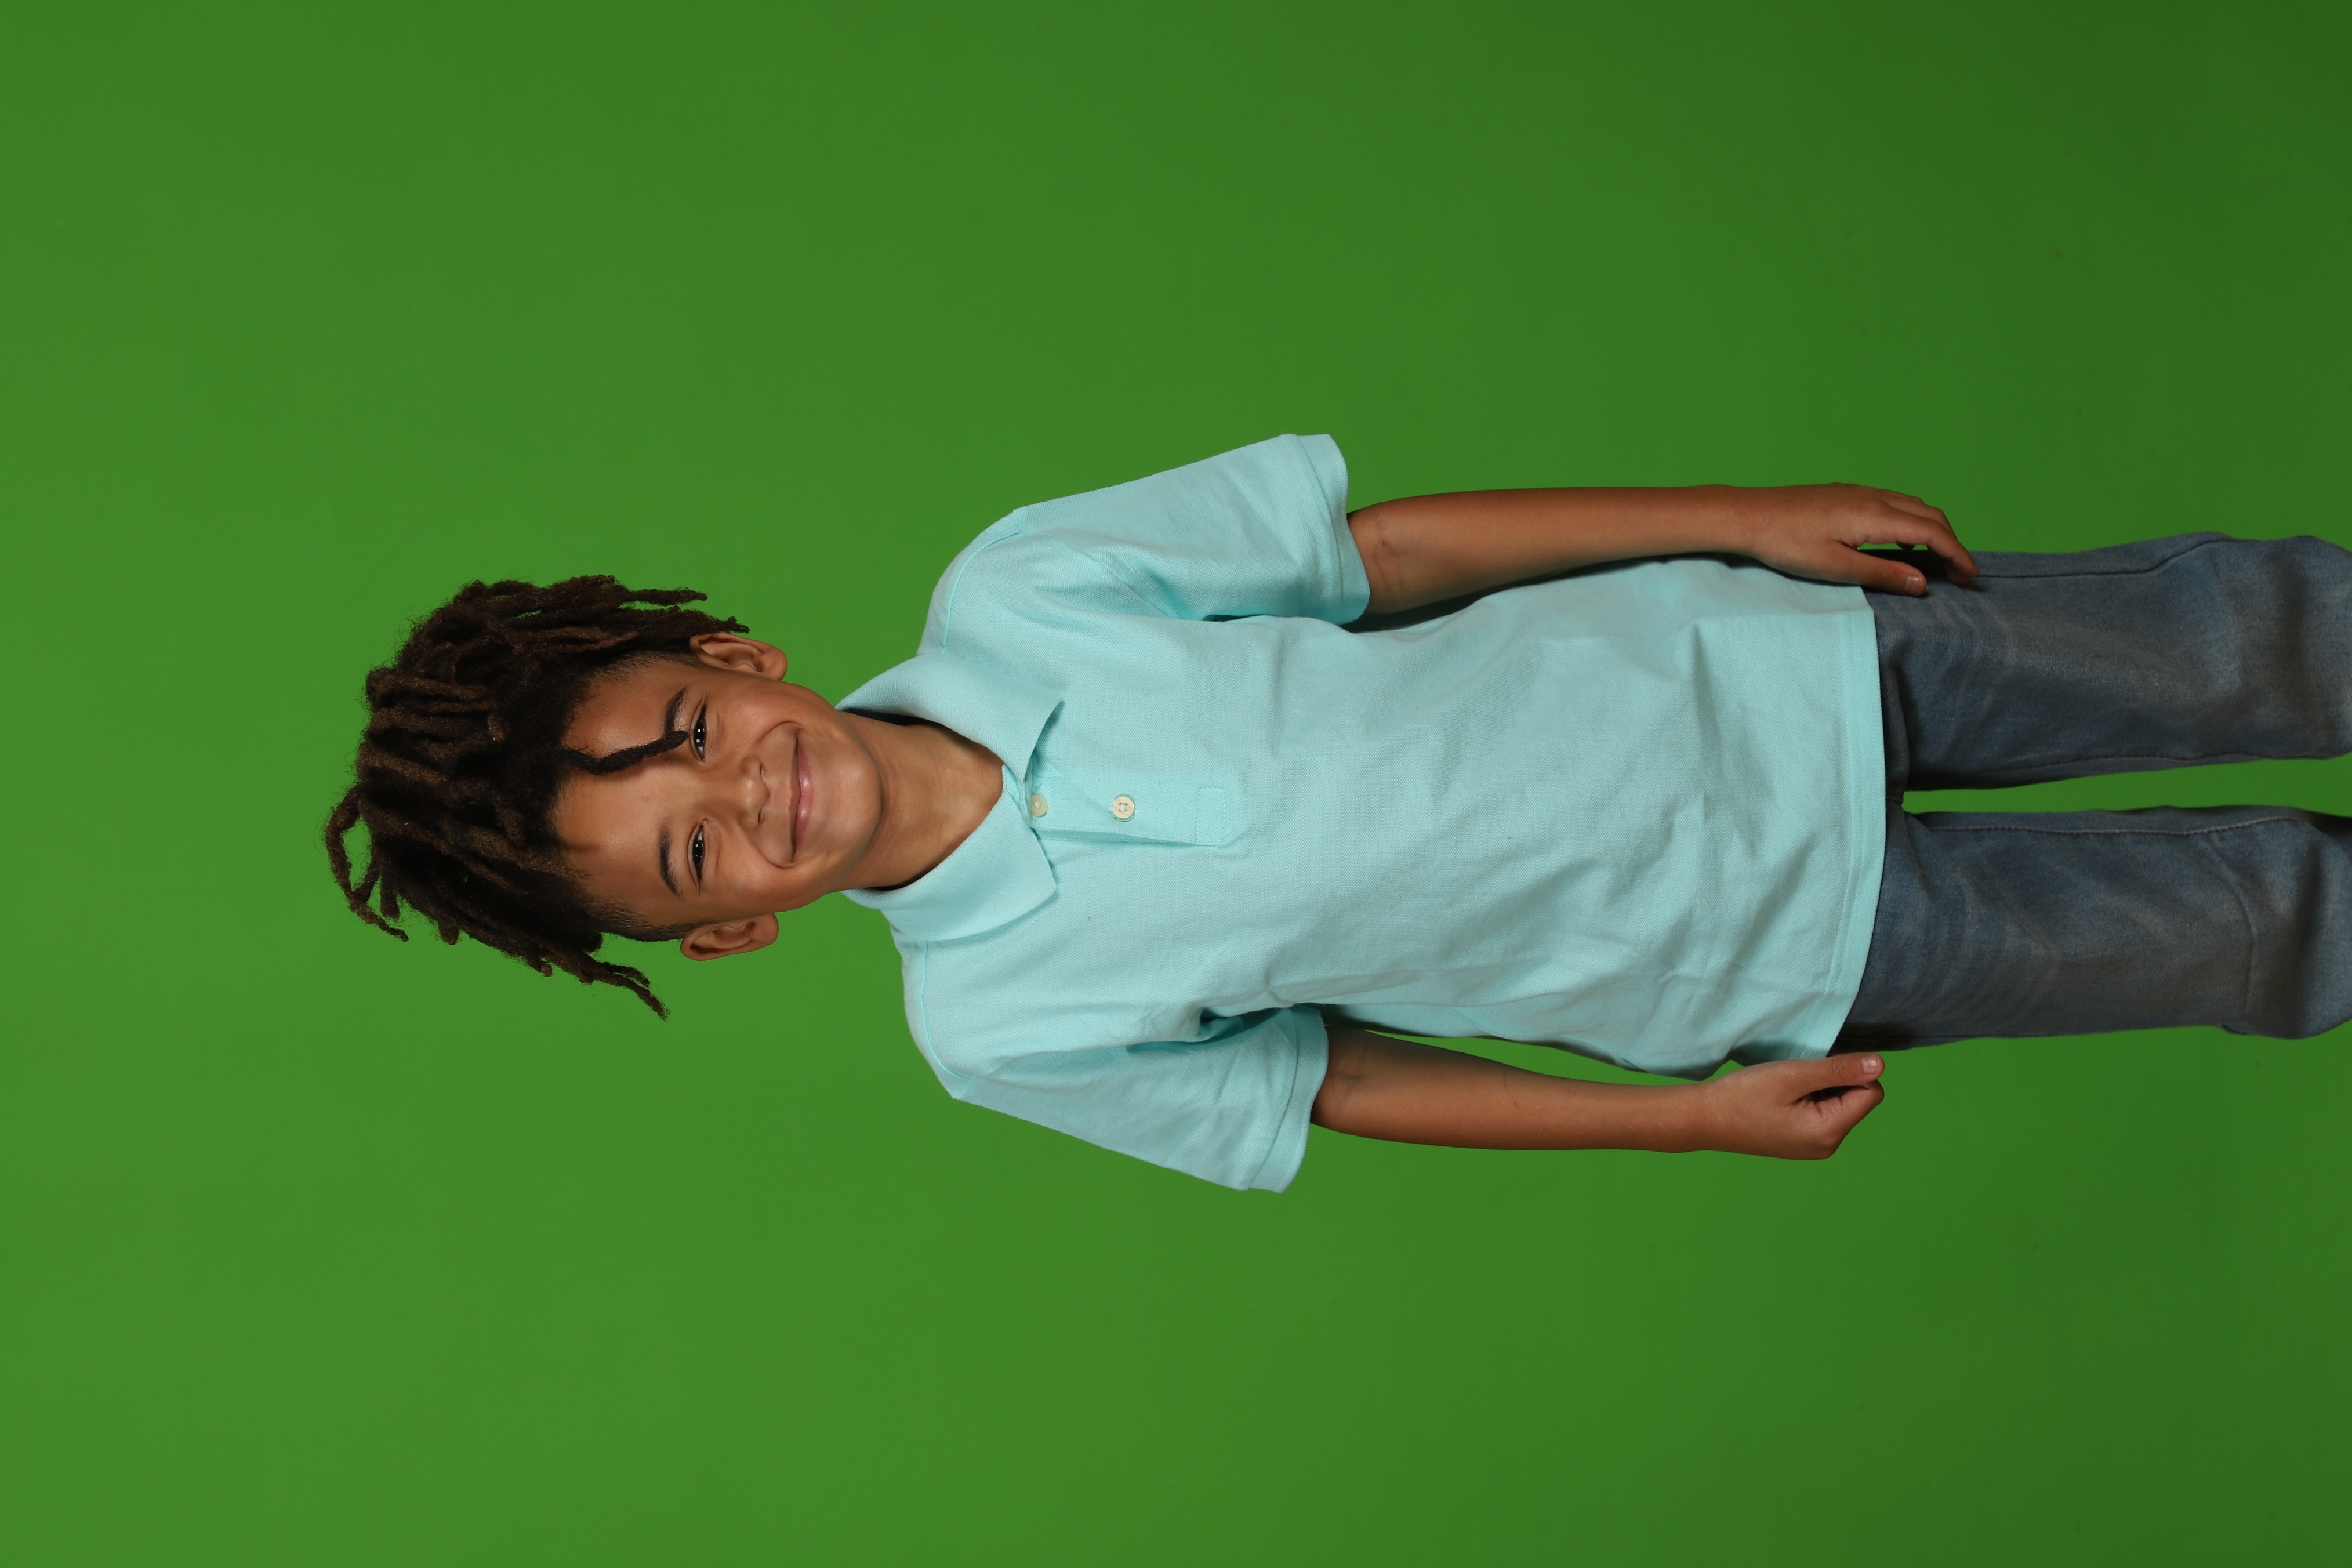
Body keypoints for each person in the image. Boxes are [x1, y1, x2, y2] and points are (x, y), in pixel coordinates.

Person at [325, 435, 2352, 1190]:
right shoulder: (996, 1027)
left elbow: (1382, 554)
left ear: (734, 656)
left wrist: (1738, 517)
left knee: (2235, 642)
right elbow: (1335, 1084)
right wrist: (1681, 1123)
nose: (742, 793)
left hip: (1777, 662)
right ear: (729, 930)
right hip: (1774, 952)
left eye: (690, 727)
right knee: (2252, 925)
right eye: (693, 851)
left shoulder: (1021, 586)